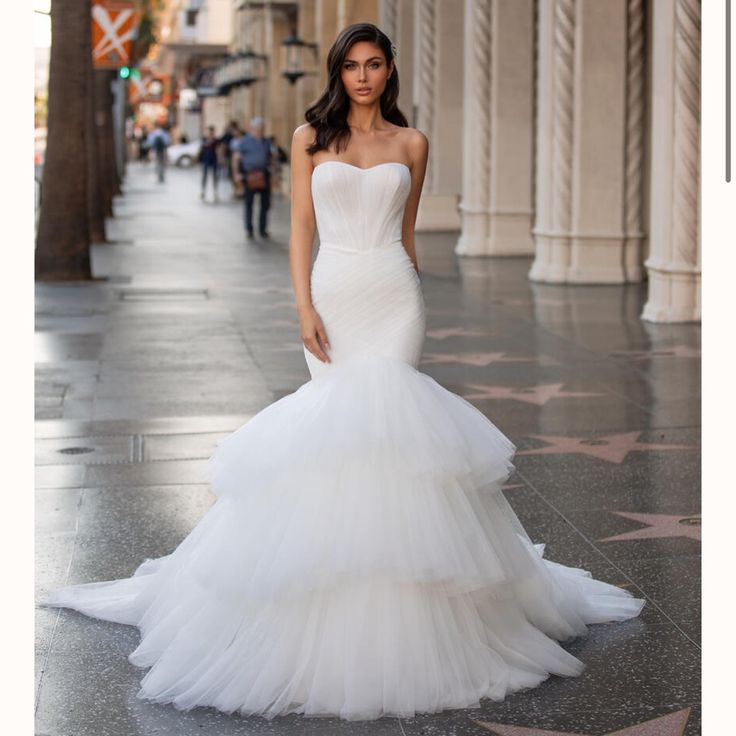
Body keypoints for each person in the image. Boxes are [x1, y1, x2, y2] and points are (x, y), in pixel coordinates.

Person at [41, 23, 644, 721]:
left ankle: (408, 606)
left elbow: (407, 230)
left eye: (374, 64)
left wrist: (412, 294)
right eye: (352, 65)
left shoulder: (412, 143)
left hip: (393, 298)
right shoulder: (309, 139)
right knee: (334, 437)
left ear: (390, 71)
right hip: (332, 293)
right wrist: (302, 304)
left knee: (394, 440)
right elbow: (300, 226)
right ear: (338, 72)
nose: (362, 76)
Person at [231, 116, 273, 239]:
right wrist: (236, 174)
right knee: (249, 203)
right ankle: (249, 229)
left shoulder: (266, 142)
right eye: (258, 129)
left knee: (265, 204)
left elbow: (270, 158)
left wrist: (274, 175)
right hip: (249, 174)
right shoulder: (245, 141)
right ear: (252, 129)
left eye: (262, 129)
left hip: (263, 174)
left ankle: (262, 228)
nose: (260, 132)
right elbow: (236, 158)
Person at [199, 125, 219, 200]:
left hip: (213, 159)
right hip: (206, 159)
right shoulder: (204, 139)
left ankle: (215, 191)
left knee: (215, 176)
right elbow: (203, 146)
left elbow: (218, 149)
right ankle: (203, 191)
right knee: (204, 176)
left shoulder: (216, 140)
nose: (210, 133)